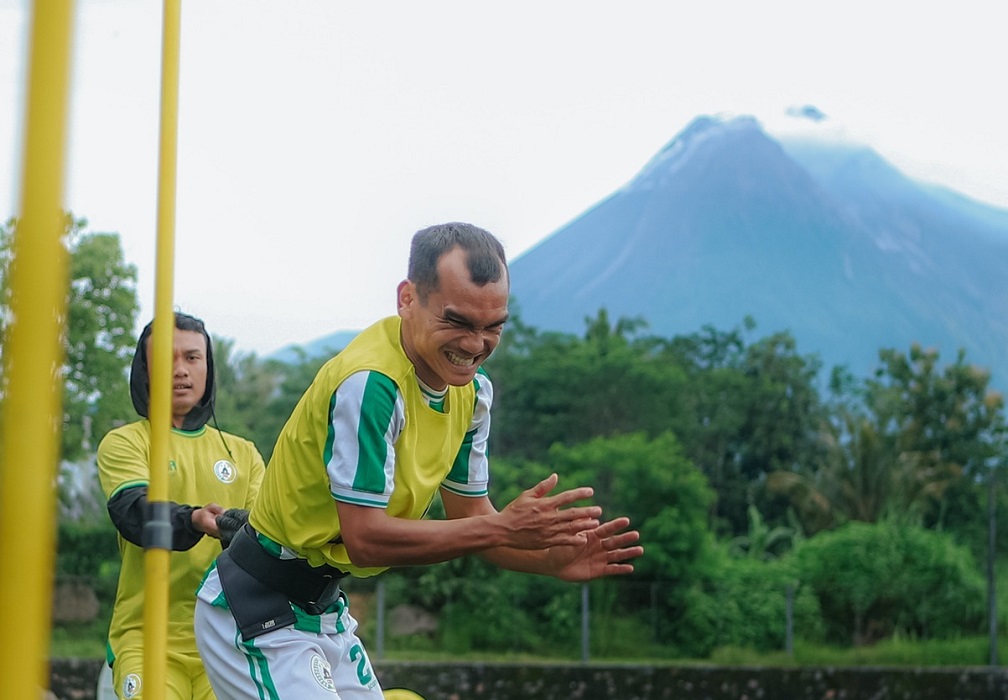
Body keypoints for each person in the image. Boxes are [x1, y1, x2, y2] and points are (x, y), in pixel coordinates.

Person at [195, 222, 643, 699]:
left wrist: (549, 559)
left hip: (323, 611)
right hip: (259, 608)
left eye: (493, 327)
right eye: (458, 322)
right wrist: (504, 529)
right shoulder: (372, 384)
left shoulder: (472, 395)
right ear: (407, 298)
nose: (475, 346)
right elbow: (366, 538)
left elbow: (473, 520)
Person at [97, 312, 266, 700]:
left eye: (192, 358)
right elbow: (134, 514)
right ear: (145, 370)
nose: (180, 371)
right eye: (166, 359)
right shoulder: (126, 442)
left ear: (208, 367)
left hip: (230, 642)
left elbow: (268, 540)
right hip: (148, 641)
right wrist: (194, 519)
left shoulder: (244, 453)